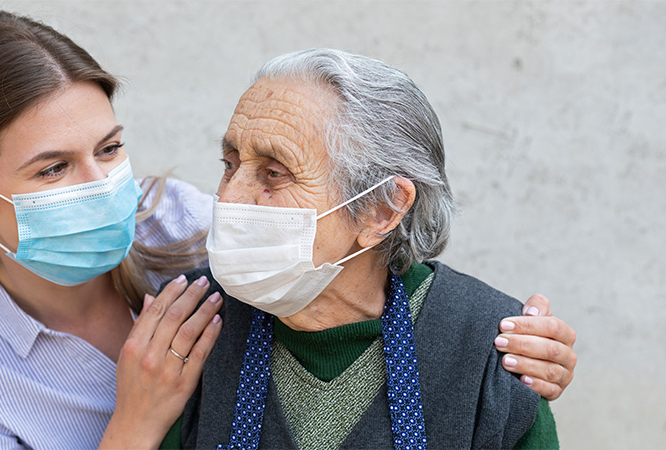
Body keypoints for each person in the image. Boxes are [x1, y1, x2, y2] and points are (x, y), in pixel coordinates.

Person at [0, 12, 576, 449]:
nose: (232, 202)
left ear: (380, 208)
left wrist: (517, 345)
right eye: (51, 170)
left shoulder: (187, 226)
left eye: (109, 149)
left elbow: (368, 265)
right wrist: (134, 426)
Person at [164, 49, 568, 449]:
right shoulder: (190, 327)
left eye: (274, 174)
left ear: (381, 209)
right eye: (230, 164)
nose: (230, 198)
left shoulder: (488, 357)